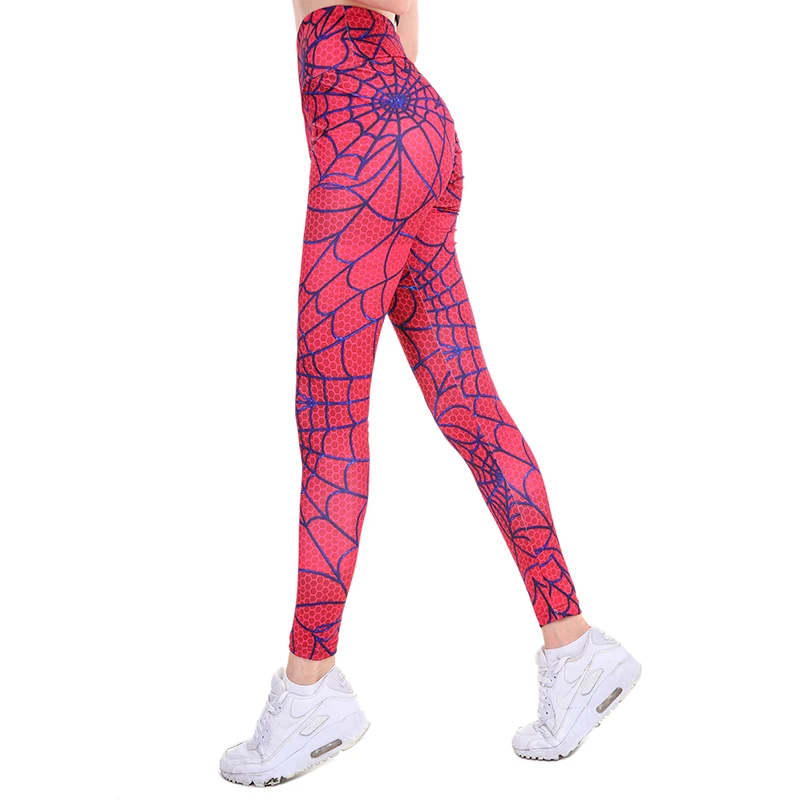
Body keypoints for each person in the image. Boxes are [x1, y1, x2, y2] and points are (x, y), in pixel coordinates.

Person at [219, 1, 641, 786]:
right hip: (422, 129)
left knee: (331, 428)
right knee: (468, 404)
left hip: (366, 151)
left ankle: (309, 691)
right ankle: (576, 645)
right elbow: (403, 32)